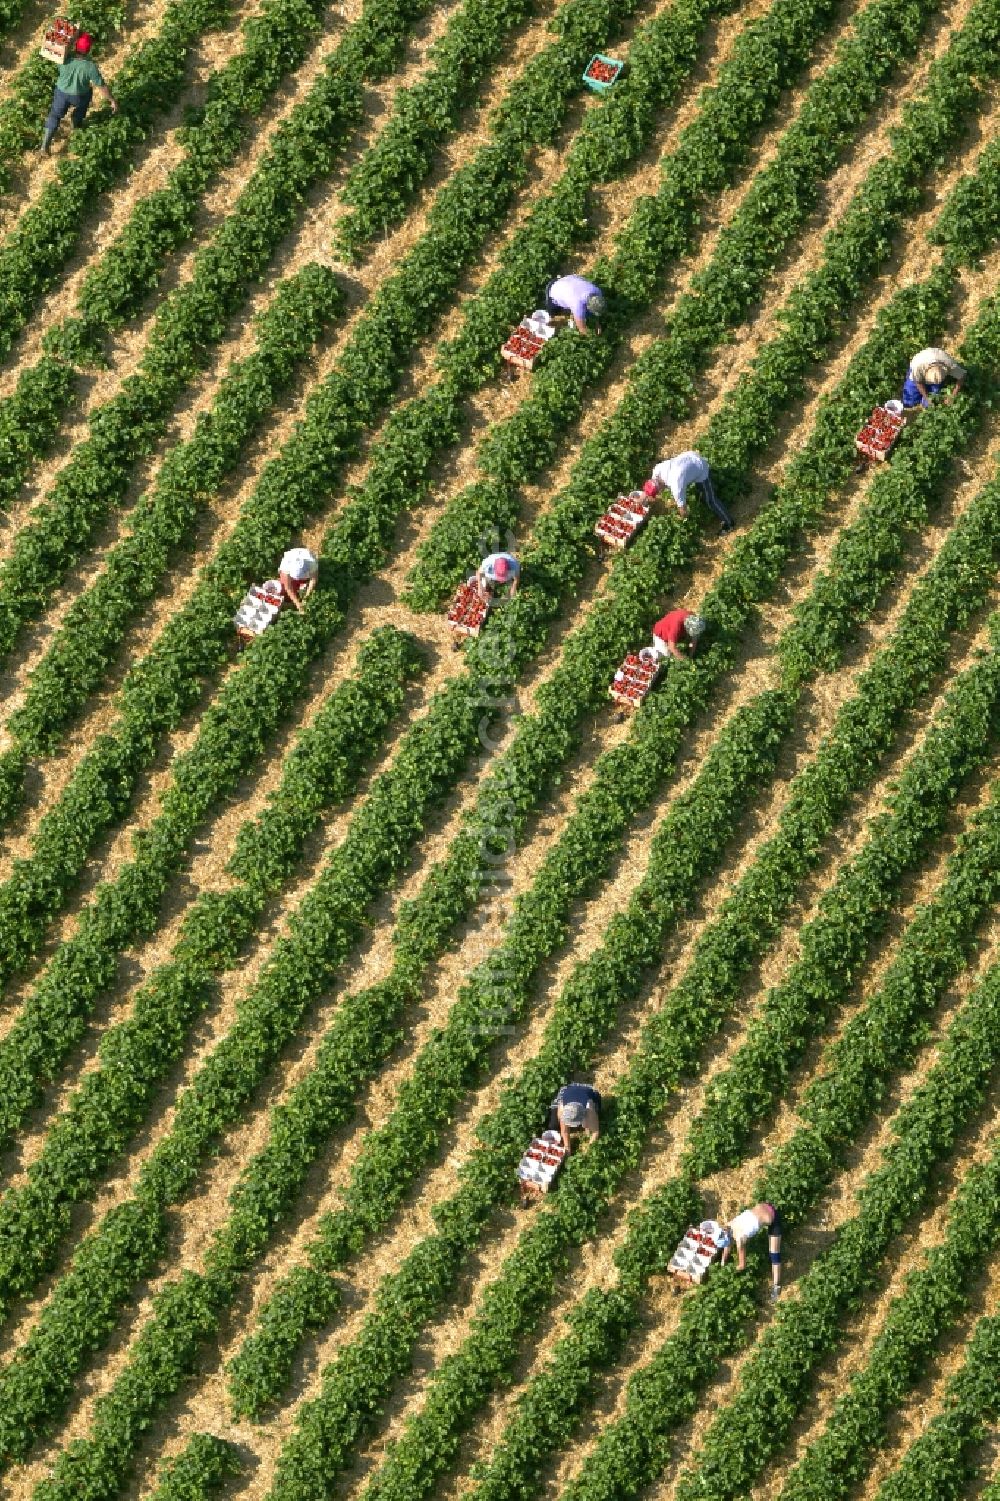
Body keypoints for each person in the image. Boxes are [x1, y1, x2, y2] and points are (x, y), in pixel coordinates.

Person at [42, 33, 117, 154]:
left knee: (55, 115)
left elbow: (54, 48)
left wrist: (68, 40)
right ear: (89, 50)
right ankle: (76, 123)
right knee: (87, 94)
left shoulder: (64, 59)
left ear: (75, 46)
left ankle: (44, 146)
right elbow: (102, 87)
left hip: (61, 93)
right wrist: (112, 100)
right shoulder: (90, 67)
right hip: (79, 96)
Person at [643, 451, 734, 534]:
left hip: (700, 467)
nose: (660, 493)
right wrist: (642, 499)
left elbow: (683, 511)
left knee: (710, 500)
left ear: (660, 488)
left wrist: (681, 519)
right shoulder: (657, 470)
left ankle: (729, 523)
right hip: (688, 457)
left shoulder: (676, 485)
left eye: (658, 492)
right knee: (697, 489)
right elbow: (649, 489)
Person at [720, 1201, 783, 1300]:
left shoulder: (740, 1240)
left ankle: (776, 1286)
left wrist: (730, 1271)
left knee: (774, 1254)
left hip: (773, 1217)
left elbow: (742, 1266)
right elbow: (727, 1244)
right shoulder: (729, 1225)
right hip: (764, 1205)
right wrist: (723, 1261)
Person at [901, 347, 966, 410]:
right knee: (909, 400)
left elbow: (962, 376)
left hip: (938, 357)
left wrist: (952, 396)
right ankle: (915, 401)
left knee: (934, 396)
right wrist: (926, 397)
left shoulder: (950, 364)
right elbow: (918, 383)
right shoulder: (917, 367)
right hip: (919, 366)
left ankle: (926, 400)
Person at [550, 1083, 601, 1150]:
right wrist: (567, 1149)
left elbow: (596, 1132)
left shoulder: (589, 1109)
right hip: (568, 1088)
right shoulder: (562, 1109)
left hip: (588, 1090)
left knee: (587, 1124)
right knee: (553, 1125)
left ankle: (586, 1125)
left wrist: (588, 1149)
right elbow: (564, 1131)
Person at [278, 546, 318, 611]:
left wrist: (306, 597)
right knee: (283, 583)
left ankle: (302, 584)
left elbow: (313, 580)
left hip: (305, 555)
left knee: (304, 585)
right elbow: (288, 587)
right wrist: (297, 603)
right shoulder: (285, 566)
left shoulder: (311, 562)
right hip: (293, 555)